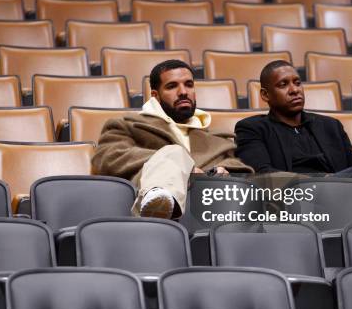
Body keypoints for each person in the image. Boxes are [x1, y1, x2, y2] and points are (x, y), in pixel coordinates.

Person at [92, 59, 253, 219]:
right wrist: (180, 165)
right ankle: (158, 207)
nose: (183, 92)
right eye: (172, 86)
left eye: (189, 84)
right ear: (156, 95)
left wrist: (221, 171)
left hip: (211, 210)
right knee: (175, 153)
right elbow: (109, 157)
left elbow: (239, 167)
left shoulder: (217, 139)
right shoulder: (126, 125)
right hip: (145, 214)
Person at [235, 59, 352, 175]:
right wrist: (321, 181)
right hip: (298, 198)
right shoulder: (252, 128)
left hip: (343, 192)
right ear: (265, 95)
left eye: (297, 83)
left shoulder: (331, 126)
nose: (294, 90)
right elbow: (263, 176)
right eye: (283, 85)